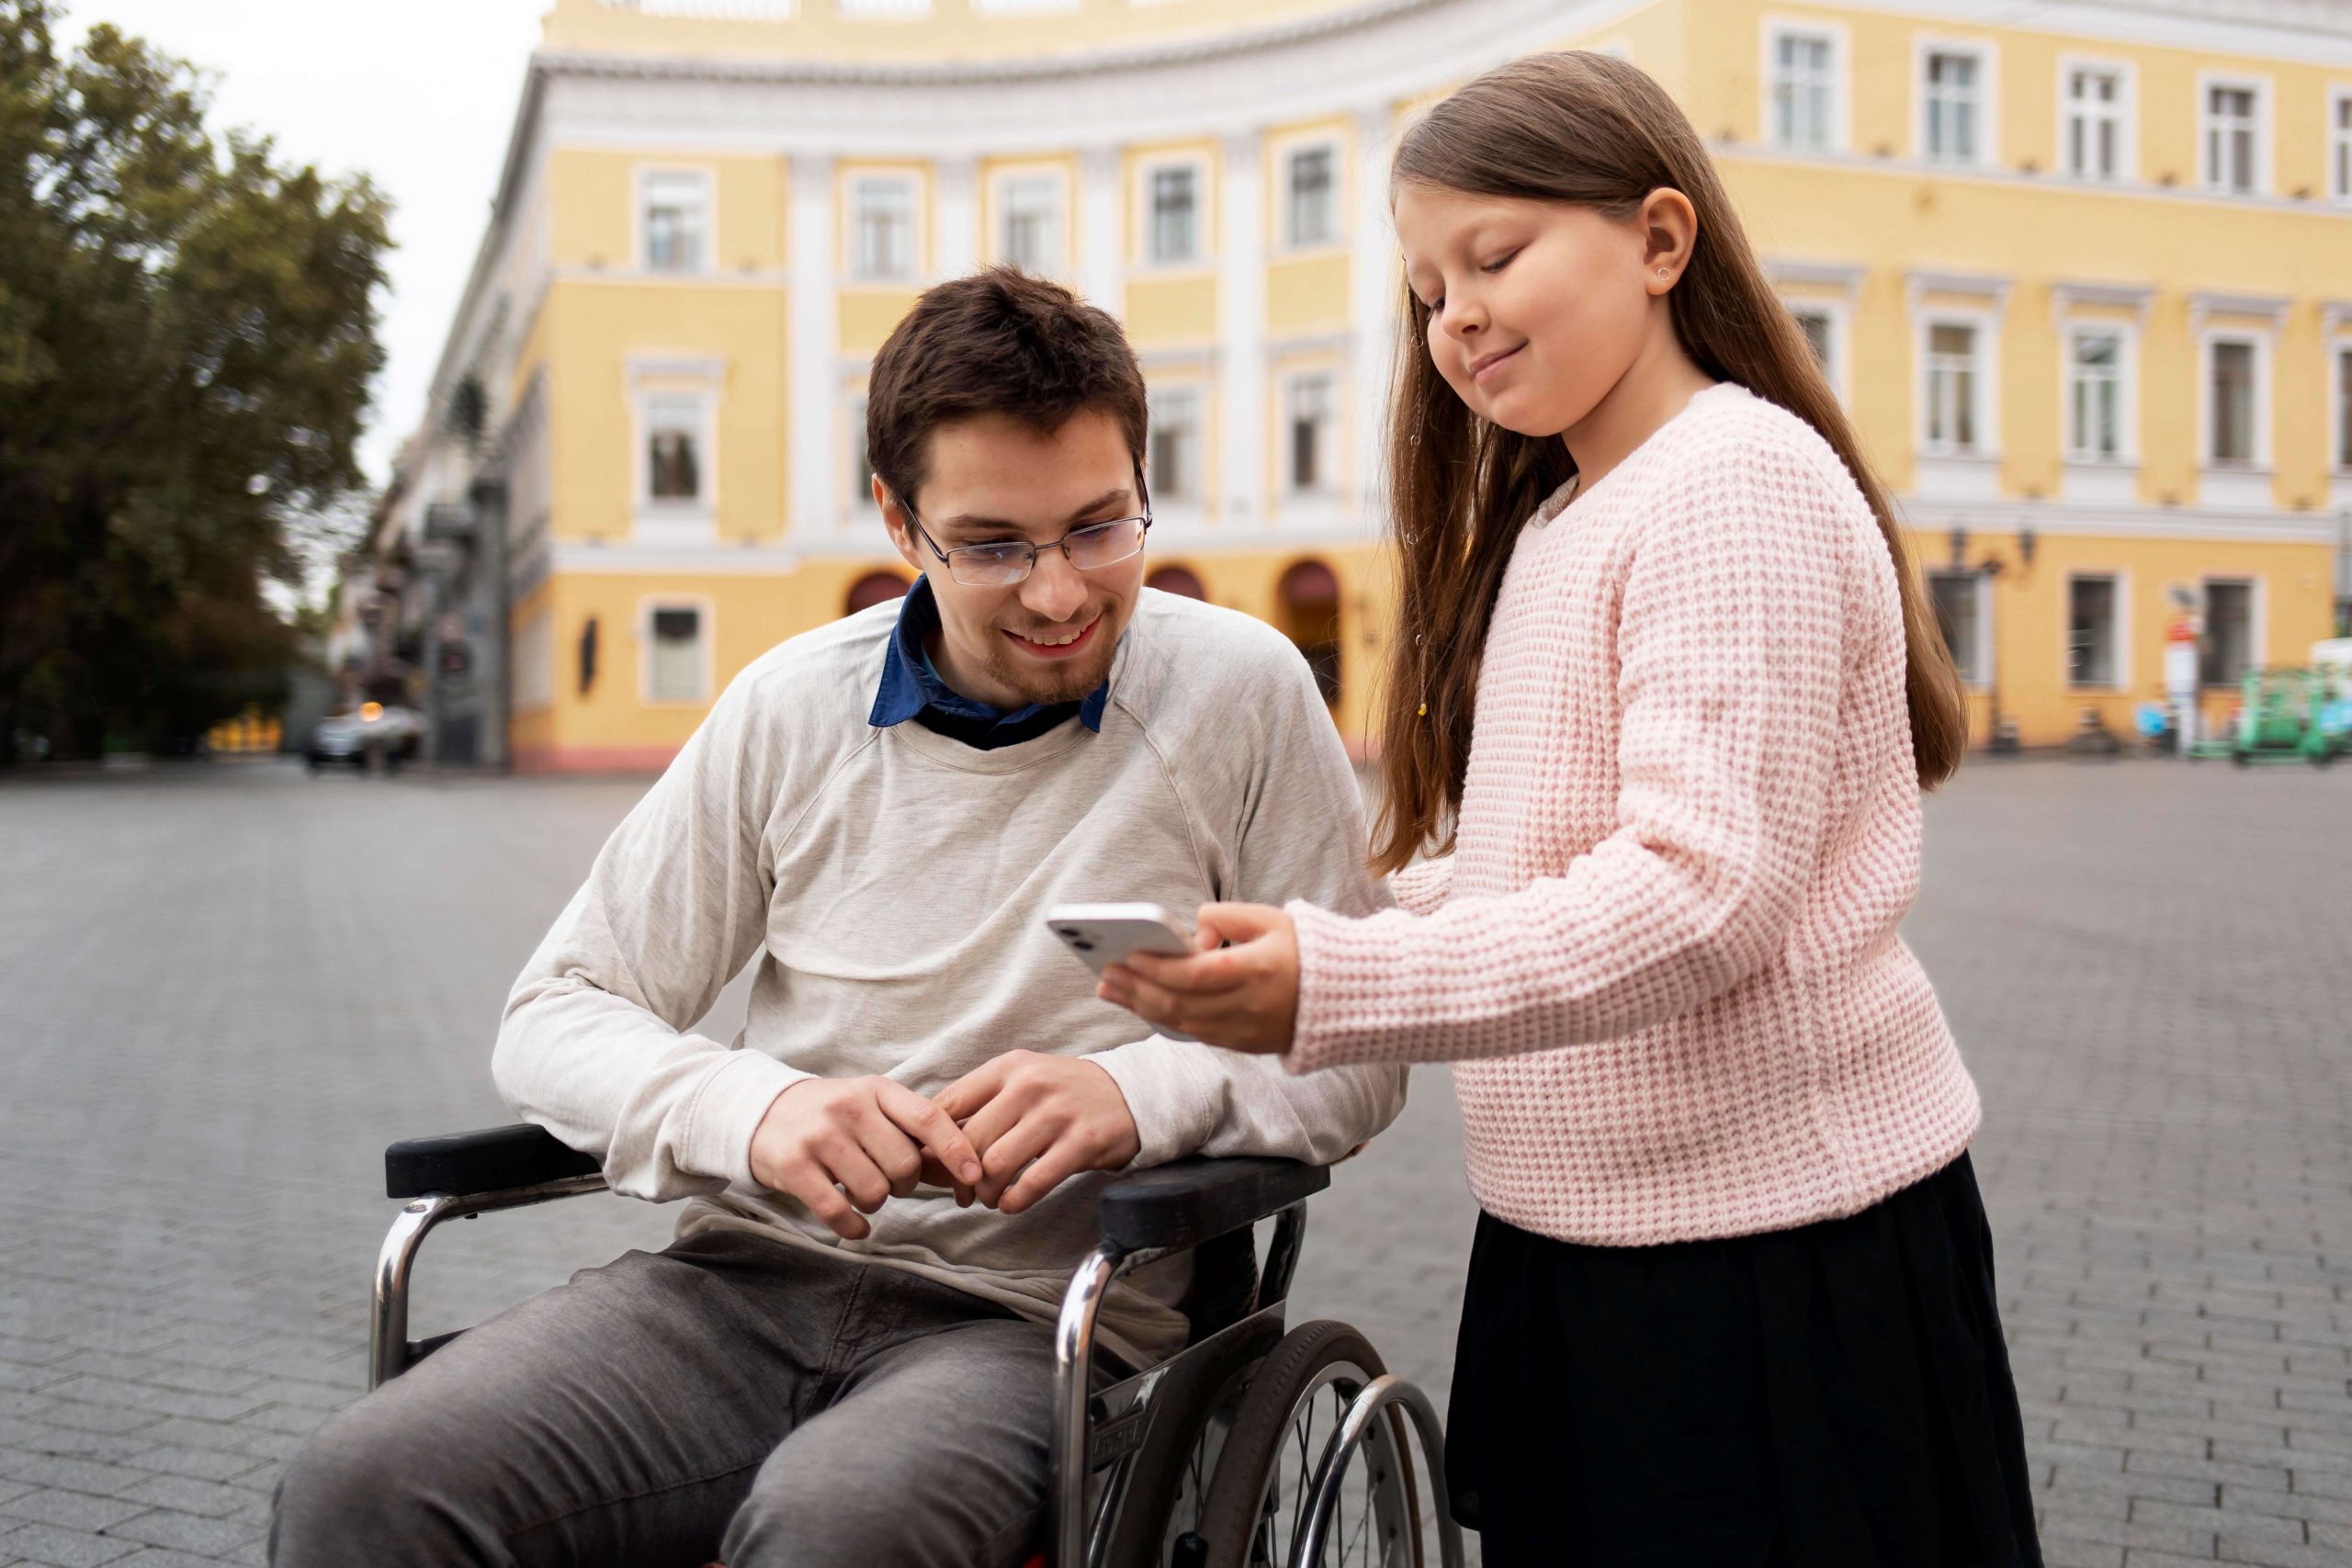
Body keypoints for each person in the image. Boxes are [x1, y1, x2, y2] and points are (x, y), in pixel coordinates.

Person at [270, 267, 1407, 1568]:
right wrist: (755, 1112)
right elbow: (555, 1015)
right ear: (897, 519)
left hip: (1030, 1321)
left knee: (836, 1532)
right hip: (738, 1288)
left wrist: (1143, 1096)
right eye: (993, 546)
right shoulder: (787, 707)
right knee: (362, 1488)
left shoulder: (1240, 694)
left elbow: (1358, 1051)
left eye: (1101, 527)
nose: (1058, 593)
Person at [1102, 52, 2043, 1568]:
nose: (1454, 314)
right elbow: (1548, 864)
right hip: (1591, 1234)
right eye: (1426, 284)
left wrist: (1335, 980)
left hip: (1772, 1255)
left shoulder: (1732, 483)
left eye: (1496, 254)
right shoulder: (1564, 519)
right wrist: (1314, 934)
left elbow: (1693, 899)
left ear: (1662, 241)